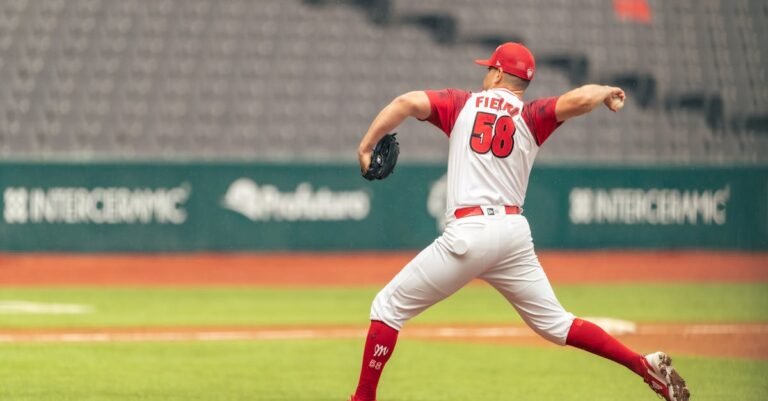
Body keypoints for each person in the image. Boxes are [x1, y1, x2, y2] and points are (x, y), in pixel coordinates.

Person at [349, 43, 690, 401]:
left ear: (497, 73)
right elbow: (579, 99)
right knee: (557, 323)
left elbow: (404, 103)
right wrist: (605, 91)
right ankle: (642, 365)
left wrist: (365, 146)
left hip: (471, 232)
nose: (484, 74)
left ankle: (362, 399)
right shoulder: (531, 115)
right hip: (512, 235)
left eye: (488, 68)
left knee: (387, 307)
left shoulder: (461, 104)